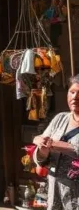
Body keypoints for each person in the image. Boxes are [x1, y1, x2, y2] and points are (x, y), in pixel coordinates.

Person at [33, 74, 79, 210]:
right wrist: (43, 148)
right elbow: (41, 157)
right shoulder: (60, 119)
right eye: (72, 92)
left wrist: (60, 145)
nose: (75, 97)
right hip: (55, 190)